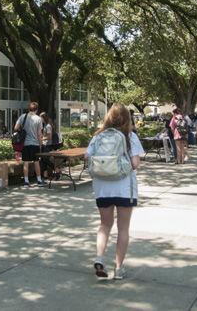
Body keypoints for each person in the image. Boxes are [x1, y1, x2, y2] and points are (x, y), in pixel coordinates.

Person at [87, 103, 143, 280]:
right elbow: (135, 164)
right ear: (127, 119)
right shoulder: (130, 137)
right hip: (124, 188)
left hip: (102, 188)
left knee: (104, 225)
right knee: (123, 229)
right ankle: (118, 268)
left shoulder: (98, 137)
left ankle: (99, 258)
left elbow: (87, 157)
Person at [14, 102, 44, 186]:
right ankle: (39, 180)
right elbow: (39, 134)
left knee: (26, 162)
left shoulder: (23, 116)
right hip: (35, 144)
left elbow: (16, 128)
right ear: (37, 110)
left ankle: (26, 181)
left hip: (25, 144)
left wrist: (23, 130)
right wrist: (41, 144)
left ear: (29, 109)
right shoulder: (38, 119)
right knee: (36, 162)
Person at [39, 112, 57, 180]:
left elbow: (49, 137)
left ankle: (57, 170)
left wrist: (42, 138)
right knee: (43, 161)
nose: (40, 119)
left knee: (46, 160)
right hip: (44, 145)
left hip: (47, 146)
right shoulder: (45, 125)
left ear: (44, 118)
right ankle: (45, 176)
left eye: (41, 118)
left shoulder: (48, 126)